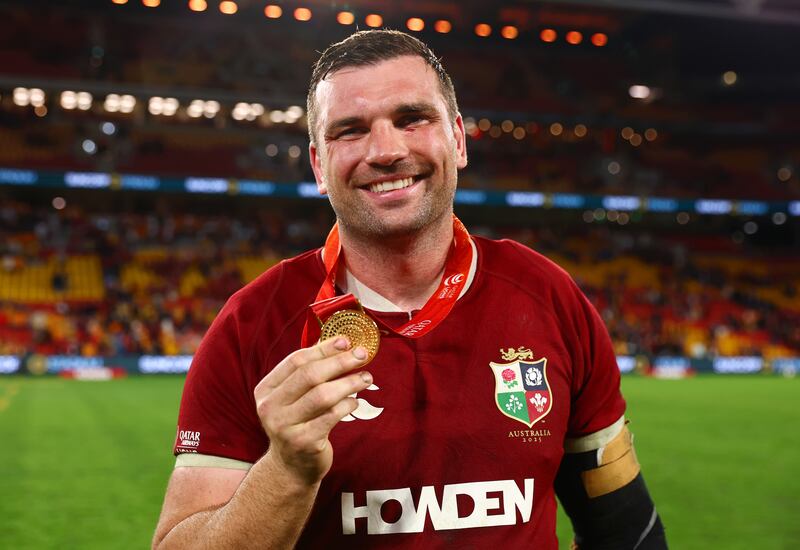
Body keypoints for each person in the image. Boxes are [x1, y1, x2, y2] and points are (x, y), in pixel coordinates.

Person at [153, 30, 667, 549]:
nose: (386, 151)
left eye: (412, 118)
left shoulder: (548, 296)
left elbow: (626, 531)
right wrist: (285, 469)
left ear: (458, 140)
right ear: (318, 167)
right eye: (350, 130)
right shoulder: (251, 324)